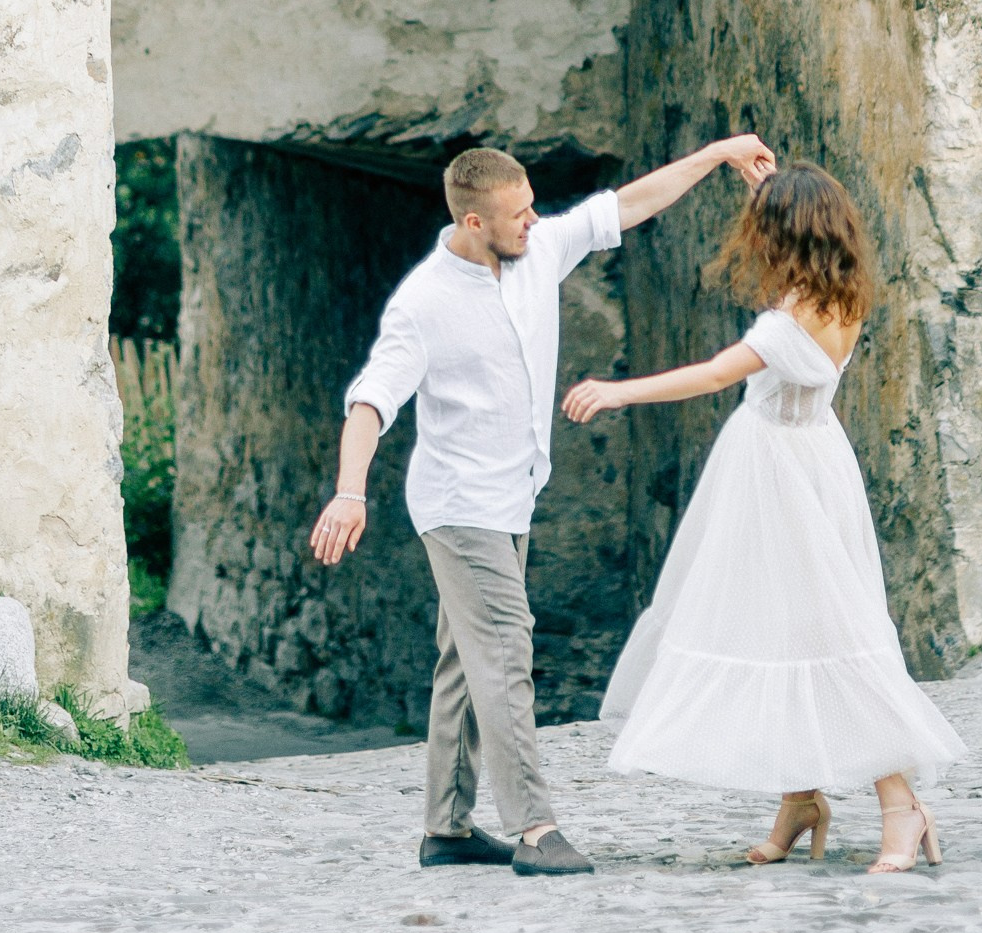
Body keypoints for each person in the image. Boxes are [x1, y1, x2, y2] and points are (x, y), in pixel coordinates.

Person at [309, 132, 774, 875]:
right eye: (517, 214)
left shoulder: (540, 251)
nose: (533, 221)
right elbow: (371, 399)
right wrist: (349, 491)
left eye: (532, 209)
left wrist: (717, 156)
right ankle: (533, 828)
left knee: (465, 661)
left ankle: (447, 827)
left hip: (512, 497)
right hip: (459, 507)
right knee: (503, 650)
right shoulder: (422, 304)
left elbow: (626, 207)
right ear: (472, 223)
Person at [562, 160, 965, 874]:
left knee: (825, 630)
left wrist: (619, 393)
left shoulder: (794, 314)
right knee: (787, 627)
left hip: (777, 472)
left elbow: (718, 372)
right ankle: (800, 798)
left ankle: (901, 804)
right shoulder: (841, 292)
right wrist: (741, 163)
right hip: (808, 463)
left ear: (787, 235)